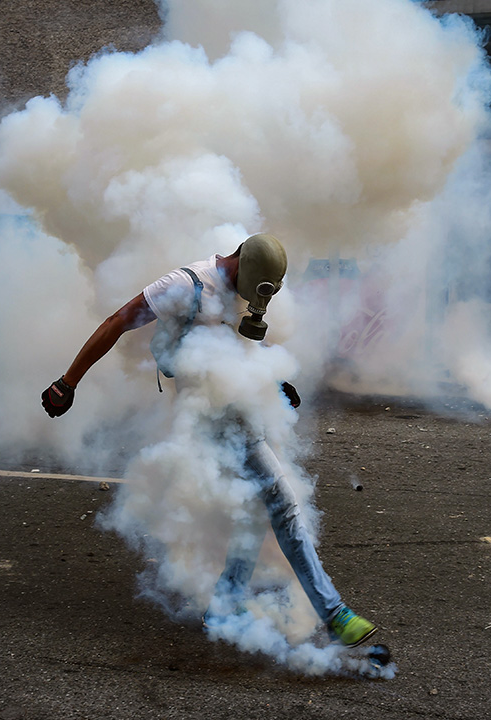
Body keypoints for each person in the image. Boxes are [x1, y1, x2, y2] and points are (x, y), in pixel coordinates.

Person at [40, 233, 379, 648]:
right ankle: (334, 613)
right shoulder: (184, 285)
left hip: (237, 410)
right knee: (283, 503)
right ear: (241, 266)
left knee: (256, 510)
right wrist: (67, 382)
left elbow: (237, 348)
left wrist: (274, 384)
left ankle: (225, 604)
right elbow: (117, 321)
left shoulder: (243, 289)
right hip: (210, 418)